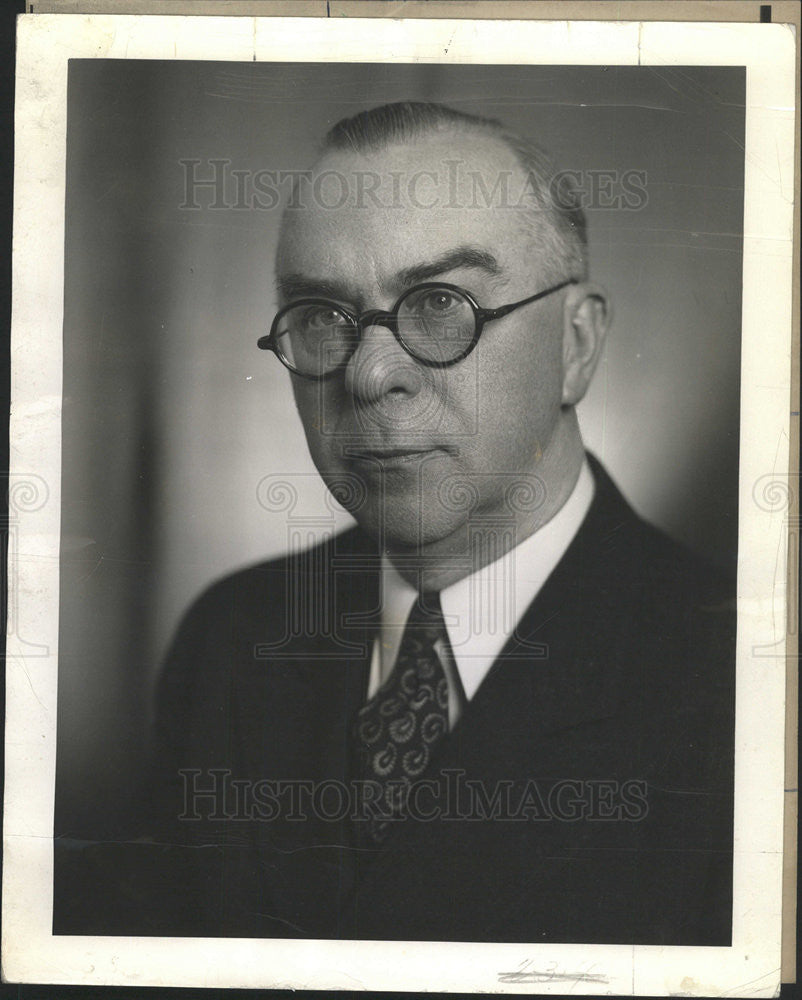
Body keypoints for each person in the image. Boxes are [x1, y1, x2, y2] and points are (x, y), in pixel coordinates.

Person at [54, 102, 735, 944]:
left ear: (577, 344)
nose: (372, 375)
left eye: (441, 304)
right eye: (321, 318)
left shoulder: (737, 682)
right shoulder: (230, 643)